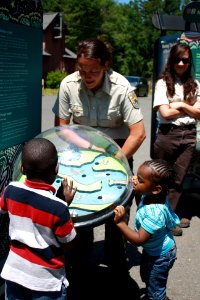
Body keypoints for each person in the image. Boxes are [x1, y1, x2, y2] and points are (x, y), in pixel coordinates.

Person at [52, 37, 146, 274]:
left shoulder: (122, 87)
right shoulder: (68, 85)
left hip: (118, 153)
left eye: (93, 70)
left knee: (117, 212)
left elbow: (138, 133)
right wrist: (88, 147)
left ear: (106, 65)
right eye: (82, 69)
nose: (86, 75)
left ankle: (116, 262)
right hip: (80, 154)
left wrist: (115, 158)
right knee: (81, 208)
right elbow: (62, 128)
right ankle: (80, 263)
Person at [0, 138, 77, 300]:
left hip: (14, 273)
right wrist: (65, 204)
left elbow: (3, 208)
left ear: (21, 168)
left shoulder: (10, 190)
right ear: (56, 168)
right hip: (46, 282)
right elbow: (69, 242)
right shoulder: (59, 208)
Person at [114, 159, 180, 300]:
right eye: (136, 177)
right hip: (153, 251)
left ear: (156, 189)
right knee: (147, 275)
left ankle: (157, 296)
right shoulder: (152, 195)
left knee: (155, 286)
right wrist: (138, 186)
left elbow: (138, 240)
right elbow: (141, 200)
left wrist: (121, 223)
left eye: (140, 180)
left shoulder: (155, 215)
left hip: (161, 256)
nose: (135, 181)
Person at [153, 43, 200, 236]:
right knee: (159, 178)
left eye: (185, 60)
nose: (181, 63)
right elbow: (164, 112)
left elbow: (199, 113)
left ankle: (169, 219)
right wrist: (188, 106)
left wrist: (178, 103)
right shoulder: (162, 83)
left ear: (190, 62)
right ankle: (153, 218)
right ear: (171, 61)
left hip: (188, 136)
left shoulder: (195, 85)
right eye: (177, 59)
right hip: (167, 135)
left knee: (177, 181)